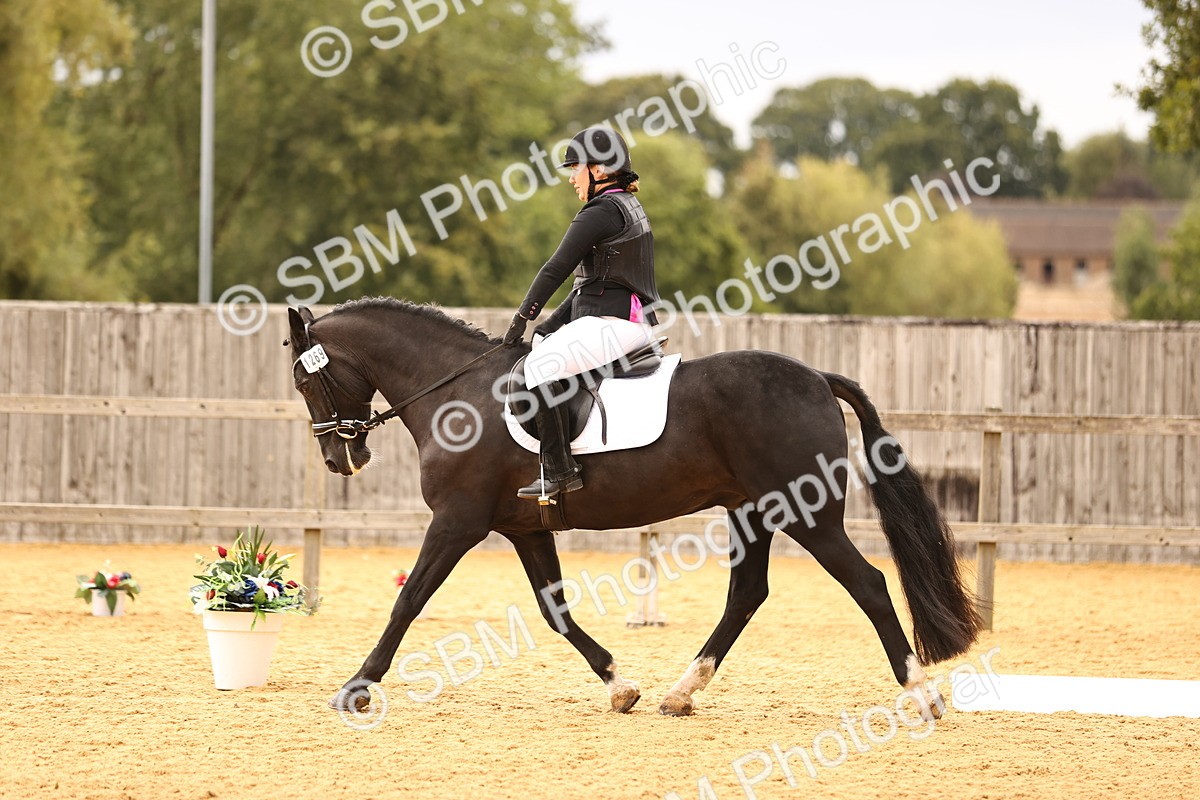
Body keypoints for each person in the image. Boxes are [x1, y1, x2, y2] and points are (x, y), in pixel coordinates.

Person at [503, 126, 661, 501]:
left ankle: (559, 470)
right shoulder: (624, 206)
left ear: (601, 170)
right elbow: (586, 288)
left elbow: (555, 269)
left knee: (539, 367)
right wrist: (545, 326)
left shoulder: (602, 210)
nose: (572, 177)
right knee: (544, 346)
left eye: (577, 168)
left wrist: (520, 319)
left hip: (615, 324)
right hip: (621, 321)